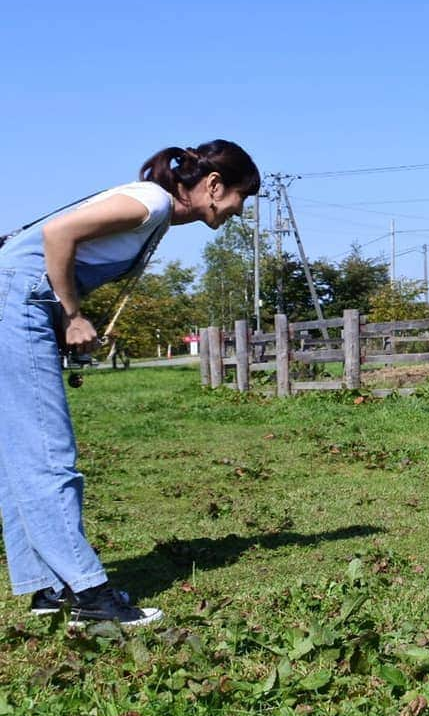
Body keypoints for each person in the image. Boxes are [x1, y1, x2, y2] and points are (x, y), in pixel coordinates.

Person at [0, 140, 260, 627]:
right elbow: (58, 235)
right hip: (15, 303)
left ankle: (49, 588)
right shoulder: (152, 202)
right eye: (242, 196)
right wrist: (73, 316)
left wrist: (60, 319)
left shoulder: (153, 211)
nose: (240, 211)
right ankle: (91, 597)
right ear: (214, 185)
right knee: (46, 453)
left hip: (17, 301)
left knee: (18, 454)